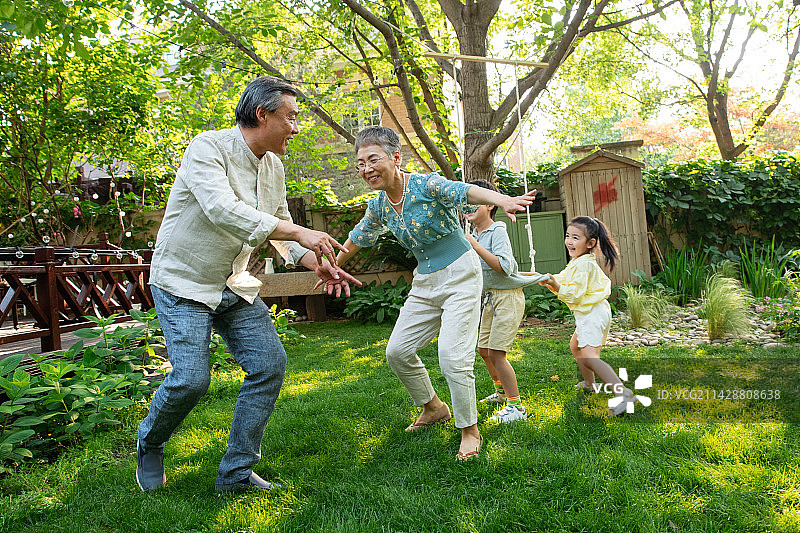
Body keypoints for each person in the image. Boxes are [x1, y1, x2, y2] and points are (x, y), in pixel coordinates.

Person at [136, 76, 360, 493]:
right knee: (191, 379)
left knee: (269, 365)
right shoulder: (208, 147)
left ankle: (236, 473)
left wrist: (315, 263)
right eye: (291, 117)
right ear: (263, 114)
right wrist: (298, 234)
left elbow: (278, 230)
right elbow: (223, 210)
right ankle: (150, 441)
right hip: (183, 281)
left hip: (233, 283)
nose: (297, 127)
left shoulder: (273, 165)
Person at [319, 126, 536, 460]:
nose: (366, 169)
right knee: (398, 352)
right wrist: (332, 264)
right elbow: (358, 237)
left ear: (395, 157)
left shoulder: (425, 184)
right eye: (360, 163)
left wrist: (502, 200)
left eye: (372, 159)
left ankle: (470, 430)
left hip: (461, 273)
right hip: (426, 279)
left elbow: (464, 191)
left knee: (452, 356)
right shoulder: (379, 205)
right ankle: (434, 407)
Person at [464, 180, 548, 423]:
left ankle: (516, 407)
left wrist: (475, 246)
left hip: (507, 299)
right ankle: (501, 394)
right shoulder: (474, 234)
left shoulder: (496, 230)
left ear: (490, 205)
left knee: (497, 353)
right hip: (490, 298)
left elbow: (505, 267)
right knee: (484, 350)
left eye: (474, 201)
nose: (468, 205)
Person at [538, 216, 637, 416]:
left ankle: (623, 394)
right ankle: (589, 384)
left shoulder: (584, 265)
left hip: (592, 313)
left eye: (576, 237)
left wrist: (555, 286)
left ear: (590, 243)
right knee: (576, 346)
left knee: (590, 357)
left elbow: (574, 294)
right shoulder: (579, 262)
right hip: (591, 312)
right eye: (568, 236)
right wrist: (550, 280)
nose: (569, 241)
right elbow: (564, 280)